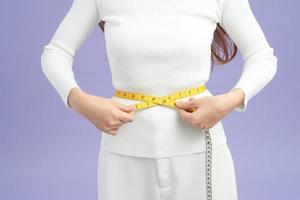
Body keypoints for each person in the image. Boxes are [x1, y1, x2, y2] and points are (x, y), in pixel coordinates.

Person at [40, 0, 278, 199]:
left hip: (201, 151)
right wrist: (80, 102)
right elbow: (55, 53)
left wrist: (228, 102)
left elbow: (263, 57)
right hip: (124, 156)